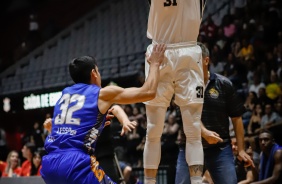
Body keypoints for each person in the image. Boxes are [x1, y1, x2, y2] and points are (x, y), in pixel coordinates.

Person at [40, 44, 166, 184]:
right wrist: (155, 63)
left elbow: (67, 131)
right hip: (74, 163)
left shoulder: (64, 96)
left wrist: (96, 124)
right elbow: (148, 92)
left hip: (49, 165)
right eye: (99, 72)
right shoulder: (101, 94)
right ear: (94, 73)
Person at [144, 1, 206, 184]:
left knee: (191, 130)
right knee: (154, 129)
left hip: (186, 51)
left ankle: (196, 181)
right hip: (161, 53)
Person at [175, 42, 254, 184]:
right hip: (189, 146)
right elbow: (185, 115)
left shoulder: (224, 84)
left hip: (219, 149)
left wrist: (241, 150)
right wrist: (204, 133)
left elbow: (236, 117)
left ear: (206, 60)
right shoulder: (184, 85)